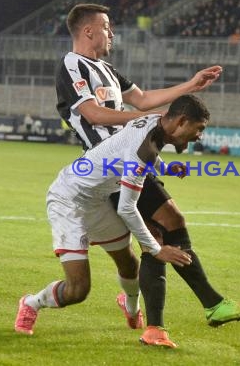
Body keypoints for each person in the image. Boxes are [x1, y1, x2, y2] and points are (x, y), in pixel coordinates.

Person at [50, 3, 240, 347]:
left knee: (167, 226)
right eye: (106, 26)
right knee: (159, 233)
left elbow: (144, 99)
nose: (111, 33)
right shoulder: (72, 64)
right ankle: (185, 315)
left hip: (134, 157)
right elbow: (93, 114)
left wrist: (190, 85)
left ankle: (197, 309)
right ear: (88, 30)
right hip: (115, 165)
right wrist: (146, 121)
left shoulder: (107, 69)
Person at [14, 95, 206, 340]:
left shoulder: (154, 122)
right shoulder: (142, 148)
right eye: (198, 128)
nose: (199, 136)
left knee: (129, 265)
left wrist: (165, 168)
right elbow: (127, 208)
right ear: (181, 121)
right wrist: (157, 249)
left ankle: (130, 307)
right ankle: (31, 303)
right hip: (68, 201)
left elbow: (142, 148)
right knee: (78, 290)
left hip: (97, 201)